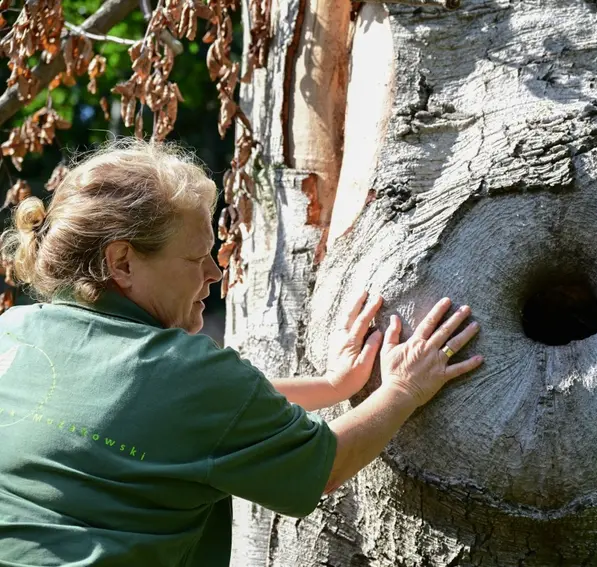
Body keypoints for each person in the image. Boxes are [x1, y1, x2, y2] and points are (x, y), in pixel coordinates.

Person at [0, 139, 483, 566]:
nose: (214, 273)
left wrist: (335, 387)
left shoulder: (15, 331)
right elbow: (325, 466)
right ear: (122, 262)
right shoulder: (184, 372)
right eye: (195, 257)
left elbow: (156, 410)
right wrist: (402, 389)